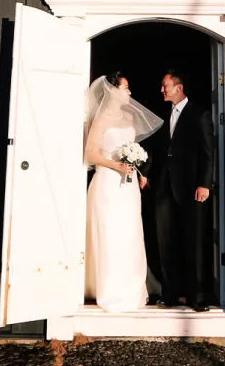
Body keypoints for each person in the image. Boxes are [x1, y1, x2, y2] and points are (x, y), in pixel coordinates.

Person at [82, 72, 163, 312]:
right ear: (112, 90)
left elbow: (133, 149)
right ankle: (110, 291)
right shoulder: (100, 120)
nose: (129, 93)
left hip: (128, 186)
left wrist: (139, 170)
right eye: (126, 88)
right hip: (108, 183)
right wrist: (116, 165)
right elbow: (92, 153)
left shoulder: (129, 116)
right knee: (110, 235)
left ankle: (132, 288)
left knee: (130, 235)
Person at [138, 69, 216, 311]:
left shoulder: (199, 115)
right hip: (164, 189)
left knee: (194, 242)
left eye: (165, 85)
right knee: (165, 243)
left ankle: (198, 297)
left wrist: (205, 183)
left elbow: (207, 152)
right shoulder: (164, 115)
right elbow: (155, 147)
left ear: (178, 87)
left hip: (192, 189)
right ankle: (169, 294)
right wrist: (146, 172)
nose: (162, 90)